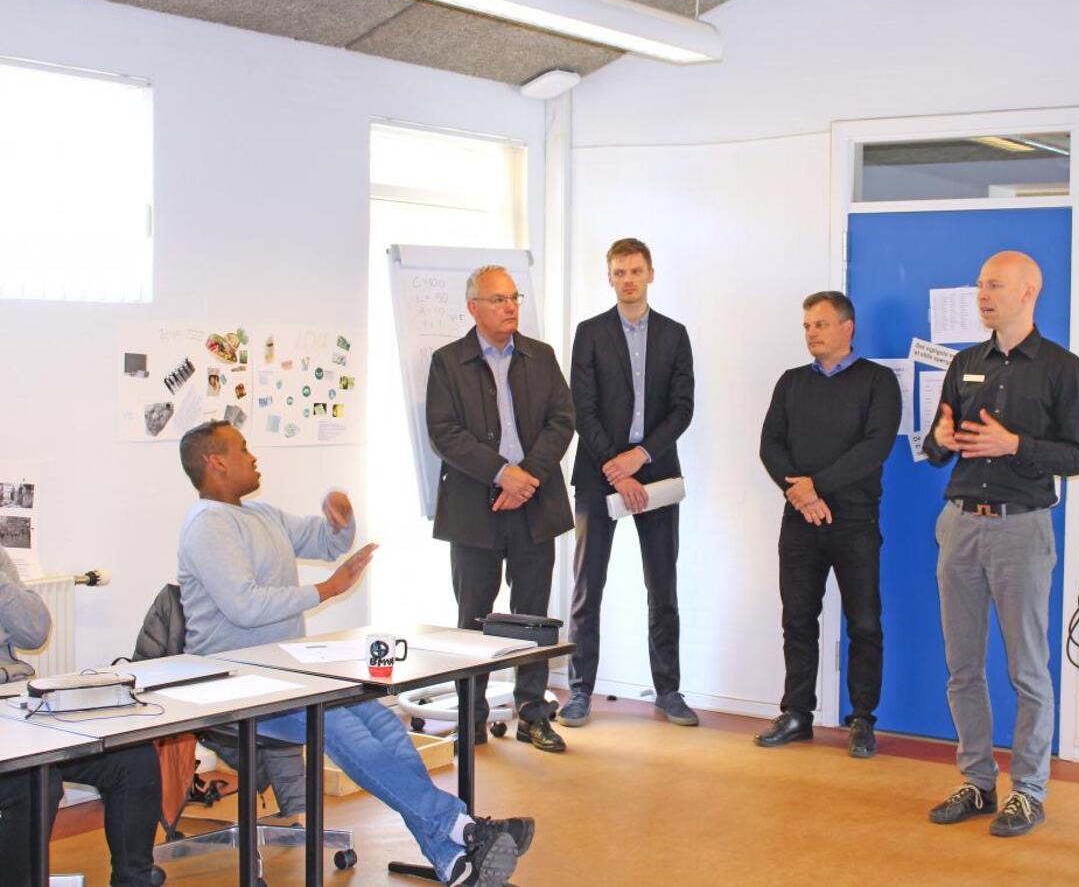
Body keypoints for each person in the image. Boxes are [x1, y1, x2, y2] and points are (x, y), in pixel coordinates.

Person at [176, 420, 530, 887]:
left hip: (287, 673)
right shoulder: (207, 526)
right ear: (216, 462)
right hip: (237, 685)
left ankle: (451, 859)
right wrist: (325, 590)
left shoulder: (261, 514)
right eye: (242, 449)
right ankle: (459, 826)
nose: (253, 456)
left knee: (383, 722)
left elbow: (327, 542)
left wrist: (339, 518)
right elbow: (244, 606)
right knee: (341, 726)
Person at [923, 250, 1079, 838]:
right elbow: (937, 447)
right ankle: (977, 781)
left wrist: (1015, 444)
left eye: (994, 285)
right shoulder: (965, 362)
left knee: (1027, 669)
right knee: (962, 666)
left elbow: (1077, 456)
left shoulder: (1062, 367)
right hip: (960, 525)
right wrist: (940, 439)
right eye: (979, 286)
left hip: (1022, 528)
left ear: (1028, 291)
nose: (983, 295)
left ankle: (1029, 791)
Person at [426, 265, 576, 753]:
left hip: (535, 503)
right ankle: (470, 719)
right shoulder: (448, 362)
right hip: (475, 508)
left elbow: (562, 420)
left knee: (533, 617)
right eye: (498, 299)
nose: (510, 306)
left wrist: (524, 476)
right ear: (474, 307)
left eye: (514, 298)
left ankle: (533, 715)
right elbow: (444, 432)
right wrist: (500, 473)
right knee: (473, 617)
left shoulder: (541, 356)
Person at [559, 238, 697, 728]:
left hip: (655, 473)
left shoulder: (674, 335)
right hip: (599, 475)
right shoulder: (590, 333)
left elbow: (682, 408)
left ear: (650, 274)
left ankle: (669, 690)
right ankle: (579, 691)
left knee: (662, 586)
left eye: (636, 271)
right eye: (620, 272)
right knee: (587, 587)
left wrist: (639, 458)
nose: (628, 280)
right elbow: (582, 407)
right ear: (610, 278)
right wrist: (615, 467)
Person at [756, 290, 901, 758]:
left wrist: (816, 487)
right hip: (800, 521)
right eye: (806, 326)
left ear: (847, 327)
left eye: (820, 324)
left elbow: (874, 448)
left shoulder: (878, 381)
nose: (811, 334)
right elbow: (770, 446)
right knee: (797, 620)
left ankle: (862, 719)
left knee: (864, 623)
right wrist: (801, 495)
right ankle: (797, 713)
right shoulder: (791, 382)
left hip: (855, 521)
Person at [0, 546, 161, 886]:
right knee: (33, 780)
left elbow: (34, 632)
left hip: (13, 699)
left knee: (133, 758)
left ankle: (133, 881)